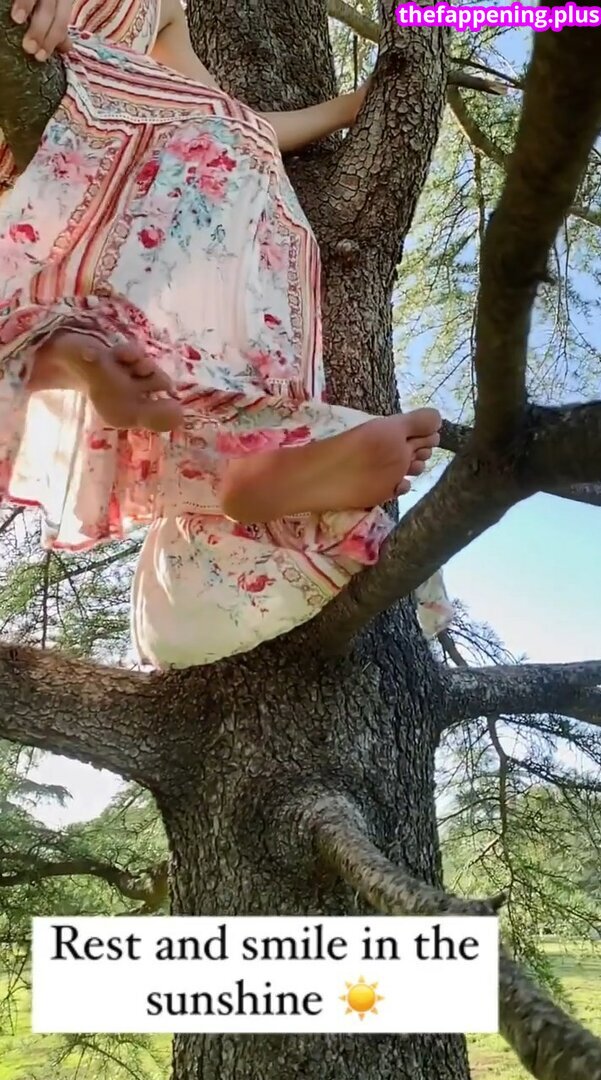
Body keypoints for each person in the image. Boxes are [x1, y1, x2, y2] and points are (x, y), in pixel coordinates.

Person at [0, 0, 454, 667]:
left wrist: (349, 108)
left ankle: (86, 355)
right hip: (62, 158)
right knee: (223, 157)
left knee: (241, 161)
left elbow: (232, 119)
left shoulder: (161, 12)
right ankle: (107, 361)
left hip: (115, 185)